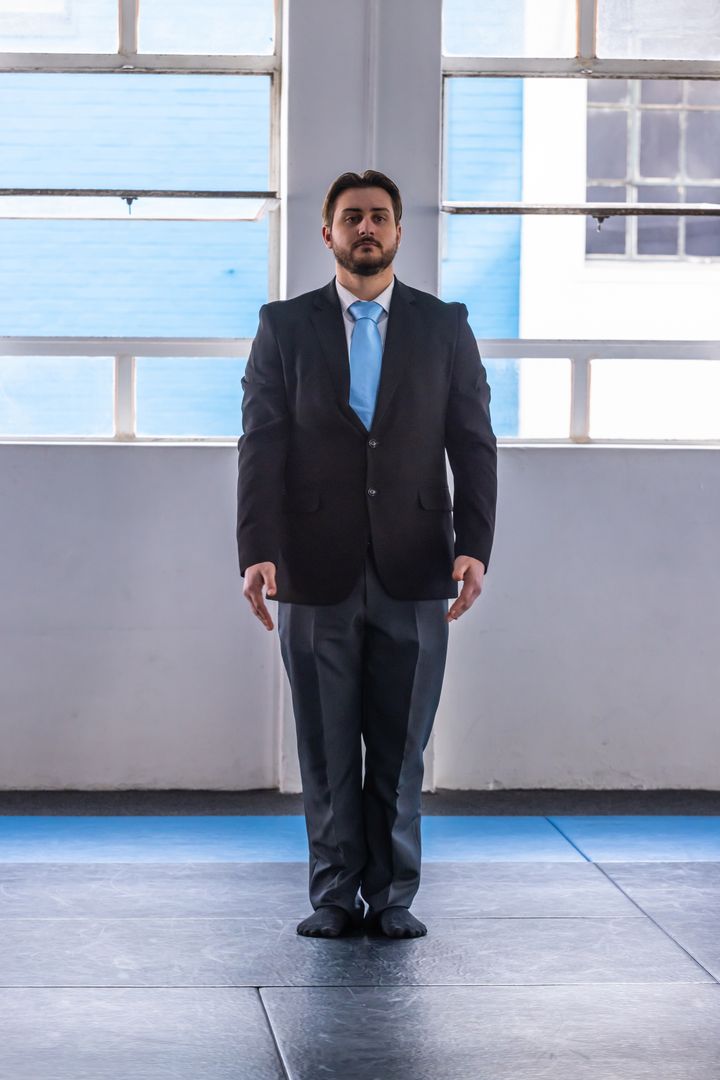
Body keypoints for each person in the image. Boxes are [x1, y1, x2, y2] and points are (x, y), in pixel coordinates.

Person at [236, 169, 497, 940]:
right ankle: (331, 893)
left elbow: (473, 443)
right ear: (328, 234)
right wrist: (256, 550)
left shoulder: (445, 325)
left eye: (380, 216)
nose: (367, 228)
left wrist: (474, 546)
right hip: (312, 568)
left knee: (399, 747)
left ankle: (392, 898)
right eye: (352, 217)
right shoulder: (283, 327)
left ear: (399, 231)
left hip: (418, 564)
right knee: (323, 747)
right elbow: (261, 443)